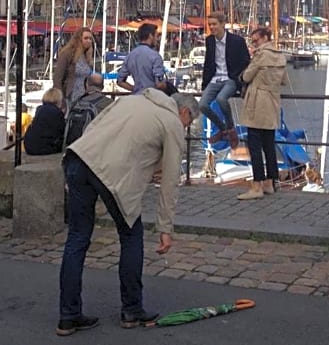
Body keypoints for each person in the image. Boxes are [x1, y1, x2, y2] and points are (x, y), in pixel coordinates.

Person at [57, 90, 200, 336]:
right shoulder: (172, 123)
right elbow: (170, 181)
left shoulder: (131, 100)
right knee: (131, 236)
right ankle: (131, 309)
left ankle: (68, 316)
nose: (186, 128)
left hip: (79, 158)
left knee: (77, 238)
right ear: (184, 112)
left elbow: (94, 127)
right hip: (111, 174)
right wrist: (165, 228)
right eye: (189, 123)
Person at [236, 26, 289, 200]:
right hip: (272, 101)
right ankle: (270, 182)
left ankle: (257, 185)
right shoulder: (280, 55)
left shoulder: (261, 56)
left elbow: (246, 77)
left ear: (265, 38)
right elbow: (284, 80)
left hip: (257, 102)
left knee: (255, 146)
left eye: (256, 40)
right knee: (269, 145)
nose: (254, 44)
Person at [199, 12, 250, 148]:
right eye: (210, 24)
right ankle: (223, 129)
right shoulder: (210, 41)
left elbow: (246, 62)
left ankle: (231, 129)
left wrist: (243, 82)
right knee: (202, 105)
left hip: (231, 78)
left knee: (222, 99)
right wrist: (204, 84)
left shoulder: (237, 41)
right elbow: (208, 63)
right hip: (215, 78)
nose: (211, 27)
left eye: (214, 24)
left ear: (222, 24)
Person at [116, 22, 167, 94]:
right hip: (152, 98)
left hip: (137, 97)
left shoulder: (130, 56)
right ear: (150, 36)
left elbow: (120, 81)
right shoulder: (155, 56)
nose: (157, 39)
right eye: (156, 36)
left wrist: (135, 89)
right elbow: (159, 85)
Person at [53, 27, 96, 109]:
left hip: (83, 97)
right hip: (69, 96)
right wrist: (61, 101)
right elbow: (57, 78)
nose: (89, 41)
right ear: (78, 39)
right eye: (86, 38)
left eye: (90, 39)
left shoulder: (86, 56)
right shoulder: (67, 54)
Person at [22, 87, 66, 156]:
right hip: (43, 148)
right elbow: (61, 131)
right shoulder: (57, 113)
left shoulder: (39, 110)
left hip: (29, 146)